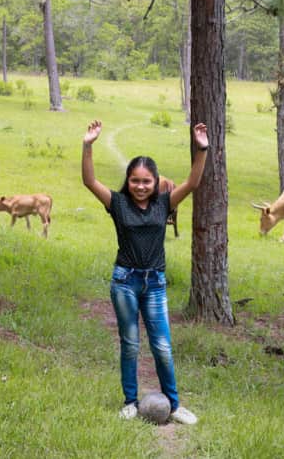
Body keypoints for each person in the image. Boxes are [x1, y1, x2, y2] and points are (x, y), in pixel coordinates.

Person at [81, 119, 209, 425]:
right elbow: (89, 181)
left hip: (155, 284)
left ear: (155, 183)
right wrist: (88, 145)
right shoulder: (118, 203)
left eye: (146, 181)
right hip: (124, 282)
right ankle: (129, 401)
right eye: (135, 181)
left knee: (162, 346)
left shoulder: (164, 204)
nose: (140, 186)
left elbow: (192, 182)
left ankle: (175, 405)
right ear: (128, 181)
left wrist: (201, 148)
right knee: (130, 344)